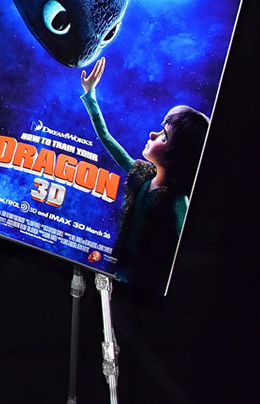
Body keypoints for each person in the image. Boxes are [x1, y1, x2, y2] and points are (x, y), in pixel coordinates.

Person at [79, 56, 208, 293]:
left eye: (163, 137)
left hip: (146, 282)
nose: (152, 135)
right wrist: (90, 95)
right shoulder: (141, 175)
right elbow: (106, 137)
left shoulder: (177, 200)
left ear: (178, 154)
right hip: (119, 269)